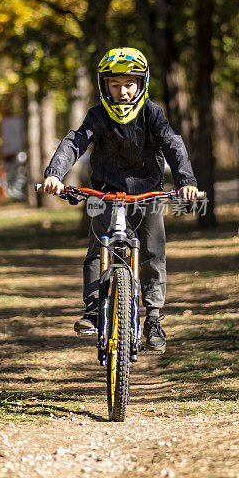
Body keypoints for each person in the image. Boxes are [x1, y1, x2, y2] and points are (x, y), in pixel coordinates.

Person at [43, 47, 199, 353]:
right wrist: (54, 175)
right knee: (95, 251)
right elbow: (75, 142)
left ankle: (152, 319)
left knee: (153, 254)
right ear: (105, 86)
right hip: (105, 193)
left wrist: (186, 181)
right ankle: (92, 311)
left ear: (141, 84)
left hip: (147, 194)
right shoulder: (98, 115)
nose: (123, 91)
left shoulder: (152, 113)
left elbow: (173, 145)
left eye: (129, 84)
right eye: (115, 84)